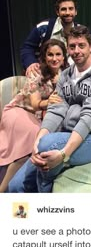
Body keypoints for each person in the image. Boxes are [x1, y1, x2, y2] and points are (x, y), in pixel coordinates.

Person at [8, 25, 91, 193]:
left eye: (81, 45)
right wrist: (38, 139)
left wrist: (63, 155)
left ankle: (46, 199)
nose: (77, 50)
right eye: (72, 46)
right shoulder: (66, 75)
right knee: (14, 186)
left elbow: (89, 117)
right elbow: (56, 109)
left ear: (90, 47)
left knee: (46, 146)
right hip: (65, 132)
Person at [0, 39, 68, 192]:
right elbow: (36, 103)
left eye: (58, 54)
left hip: (38, 116)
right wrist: (49, 101)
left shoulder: (66, 74)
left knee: (42, 138)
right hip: (19, 110)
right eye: (50, 55)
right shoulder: (36, 73)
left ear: (64, 57)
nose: (54, 58)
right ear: (44, 57)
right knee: (35, 138)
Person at [21, 0, 78, 76]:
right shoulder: (44, 28)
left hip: (67, 76)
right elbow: (27, 48)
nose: (67, 12)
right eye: (63, 9)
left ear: (76, 11)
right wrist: (31, 63)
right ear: (57, 12)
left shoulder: (80, 31)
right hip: (43, 73)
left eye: (71, 8)